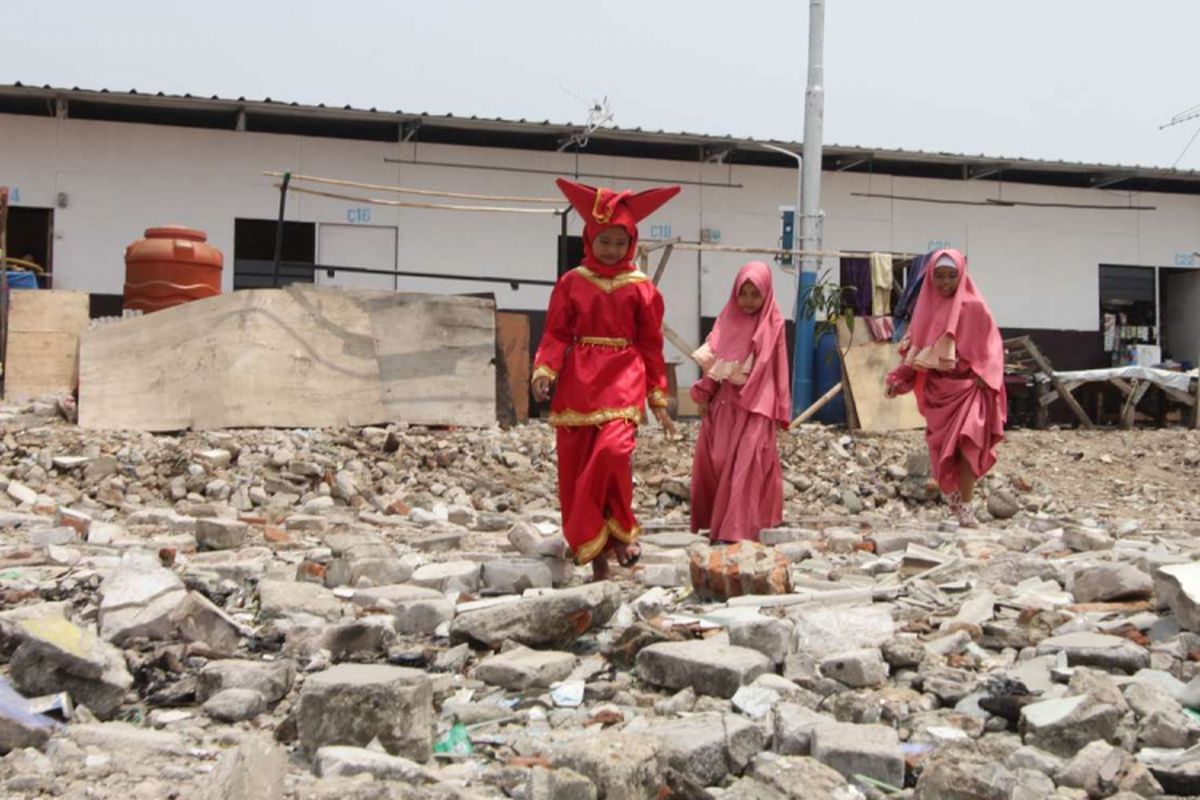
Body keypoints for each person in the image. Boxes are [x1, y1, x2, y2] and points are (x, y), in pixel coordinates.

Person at [532, 177, 680, 580]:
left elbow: (651, 345)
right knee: (578, 467)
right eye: (605, 241)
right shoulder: (572, 283)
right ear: (590, 239)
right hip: (579, 383)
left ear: (631, 242)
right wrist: (545, 370)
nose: (612, 250)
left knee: (613, 454)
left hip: (623, 378)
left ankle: (621, 533)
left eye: (620, 242)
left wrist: (658, 398)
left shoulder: (642, 289)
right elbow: (556, 333)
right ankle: (599, 559)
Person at [885, 248, 1006, 527]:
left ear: (962, 275)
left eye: (952, 276)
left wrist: (984, 374)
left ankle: (966, 506)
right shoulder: (925, 311)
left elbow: (992, 347)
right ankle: (953, 499)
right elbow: (916, 353)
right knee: (942, 454)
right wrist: (897, 379)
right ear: (930, 278)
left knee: (968, 446)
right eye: (939, 276)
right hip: (939, 394)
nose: (945, 283)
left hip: (969, 390)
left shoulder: (975, 307)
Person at [690, 261, 791, 542]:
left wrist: (782, 409)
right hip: (726, 404)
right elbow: (714, 363)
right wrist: (703, 393)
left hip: (758, 405)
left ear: (766, 293)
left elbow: (780, 367)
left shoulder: (774, 323)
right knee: (719, 460)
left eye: (754, 294)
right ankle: (720, 523)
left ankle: (736, 531)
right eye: (743, 294)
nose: (748, 301)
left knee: (747, 465)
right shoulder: (726, 320)